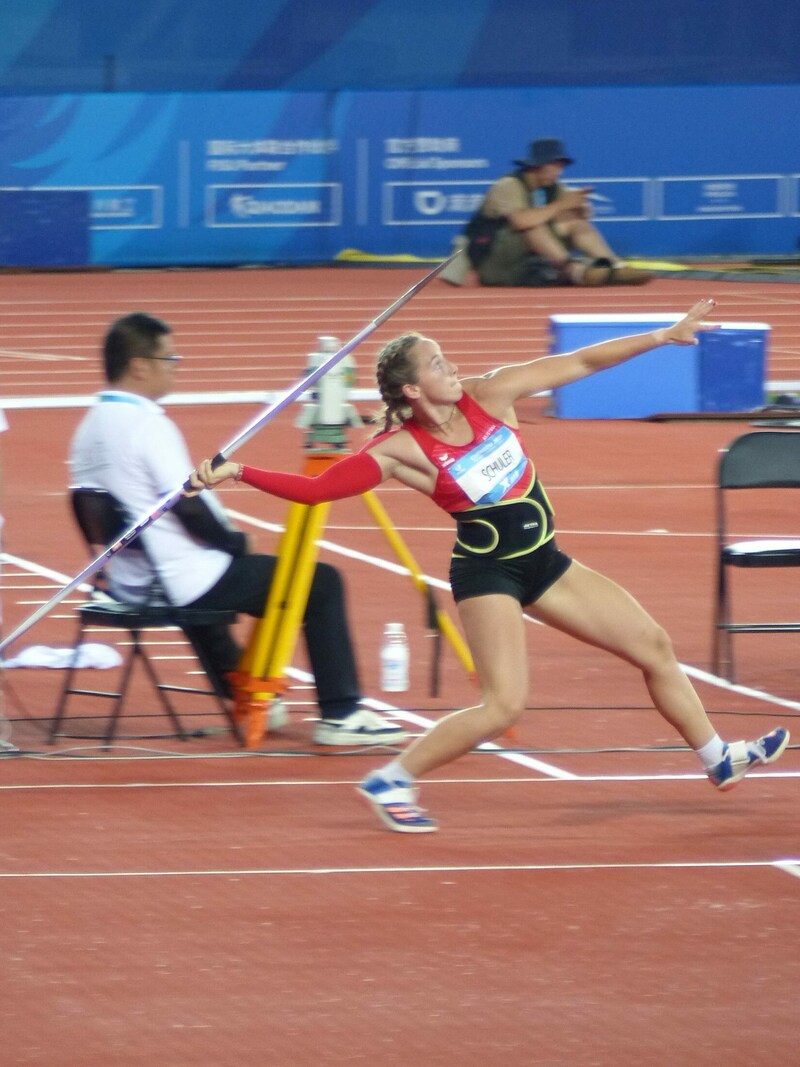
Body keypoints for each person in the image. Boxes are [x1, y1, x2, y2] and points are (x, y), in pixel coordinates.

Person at [191, 298, 789, 832]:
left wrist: (661, 335)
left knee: (653, 645)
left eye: (446, 358)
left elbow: (580, 364)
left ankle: (718, 758)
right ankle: (392, 778)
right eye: (437, 364)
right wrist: (239, 471)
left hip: (546, 561)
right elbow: (316, 491)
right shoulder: (400, 451)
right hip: (489, 575)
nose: (451, 368)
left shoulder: (490, 393)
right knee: (504, 705)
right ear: (411, 391)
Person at [69, 312, 405, 747]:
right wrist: (234, 542)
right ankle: (340, 713)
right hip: (175, 580)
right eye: (169, 358)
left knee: (209, 572)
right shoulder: (147, 425)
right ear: (139, 365)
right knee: (321, 583)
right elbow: (188, 504)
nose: (175, 366)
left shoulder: (88, 426)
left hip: (128, 580)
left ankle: (241, 692)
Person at [442, 137, 653, 289]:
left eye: (560, 167)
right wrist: (562, 204)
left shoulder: (552, 186)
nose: (558, 172)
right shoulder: (508, 185)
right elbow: (521, 221)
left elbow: (572, 216)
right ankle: (573, 270)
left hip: (529, 259)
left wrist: (580, 209)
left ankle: (615, 266)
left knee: (573, 222)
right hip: (494, 263)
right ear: (537, 165)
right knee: (532, 224)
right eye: (553, 166)